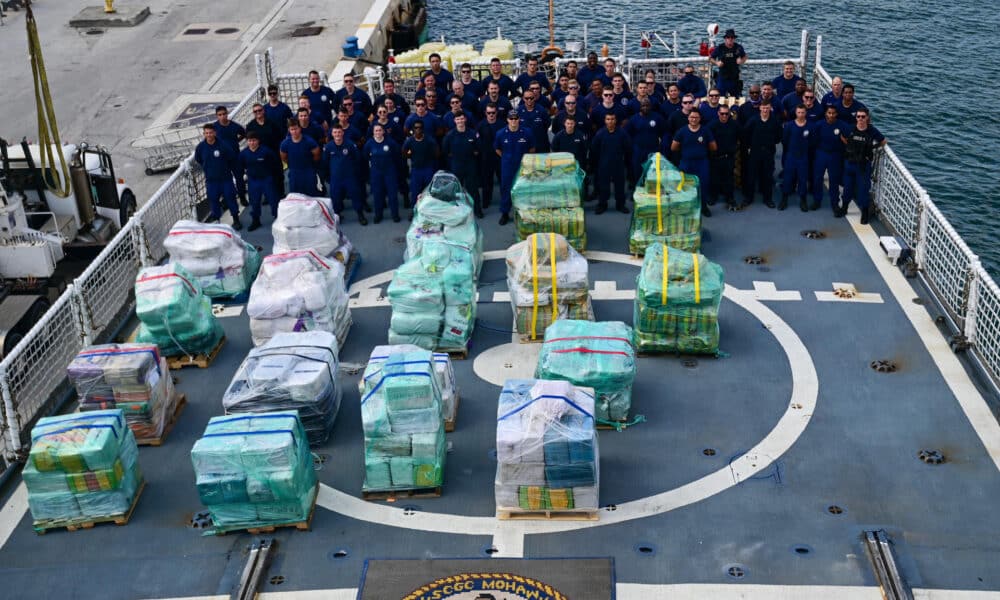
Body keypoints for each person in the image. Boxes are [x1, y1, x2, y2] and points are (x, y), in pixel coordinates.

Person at [840, 108, 886, 224]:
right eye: (858, 116)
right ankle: (844, 208)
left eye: (863, 116)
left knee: (863, 190)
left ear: (867, 118)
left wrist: (872, 148)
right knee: (847, 188)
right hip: (850, 163)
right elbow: (842, 136)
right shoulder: (850, 128)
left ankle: (865, 213)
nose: (860, 119)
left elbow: (883, 141)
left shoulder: (871, 130)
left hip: (863, 166)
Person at [195, 123, 241, 229]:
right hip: (211, 181)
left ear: (215, 133)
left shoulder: (223, 145)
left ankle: (236, 219)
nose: (209, 135)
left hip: (226, 179)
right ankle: (217, 220)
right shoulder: (200, 147)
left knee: (231, 198)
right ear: (204, 134)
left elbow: (231, 158)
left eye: (211, 132)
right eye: (206, 133)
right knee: (213, 200)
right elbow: (199, 159)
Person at [671, 110, 716, 216]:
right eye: (692, 117)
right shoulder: (681, 131)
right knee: (685, 185)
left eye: (696, 117)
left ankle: (703, 207)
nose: (694, 119)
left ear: (700, 119)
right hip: (686, 162)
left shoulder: (705, 131)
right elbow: (673, 147)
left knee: (703, 185)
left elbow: (713, 146)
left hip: (702, 162)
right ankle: (687, 207)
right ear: (688, 118)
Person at [493, 112, 534, 224]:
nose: (513, 121)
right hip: (507, 166)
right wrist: (507, 157)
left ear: (519, 119)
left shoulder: (527, 132)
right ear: (507, 120)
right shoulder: (500, 133)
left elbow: (532, 148)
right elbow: (497, 149)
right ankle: (505, 213)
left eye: (516, 118)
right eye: (511, 118)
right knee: (506, 189)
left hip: (523, 166)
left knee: (524, 189)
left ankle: (524, 213)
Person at [323, 125, 367, 225]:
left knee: (356, 195)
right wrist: (327, 177)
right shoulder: (328, 147)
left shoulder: (350, 144)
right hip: (336, 178)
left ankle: (360, 215)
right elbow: (325, 163)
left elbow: (358, 159)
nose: (337, 134)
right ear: (332, 134)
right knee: (336, 197)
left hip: (350, 177)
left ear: (343, 133)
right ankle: (337, 216)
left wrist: (356, 174)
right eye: (335, 132)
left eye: (339, 132)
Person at [441, 113, 483, 217]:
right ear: (454, 121)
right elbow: (445, 149)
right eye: (458, 119)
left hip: (470, 165)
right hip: (456, 165)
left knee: (473, 189)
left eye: (461, 119)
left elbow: (479, 148)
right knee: (456, 190)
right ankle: (456, 212)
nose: (460, 121)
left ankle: (477, 210)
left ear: (465, 120)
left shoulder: (472, 133)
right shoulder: (450, 135)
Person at [741, 102, 782, 207]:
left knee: (767, 176)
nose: (765, 110)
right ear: (760, 108)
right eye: (763, 108)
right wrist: (749, 146)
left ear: (770, 108)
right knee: (751, 175)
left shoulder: (775, 121)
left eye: (767, 108)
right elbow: (745, 133)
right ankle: (748, 198)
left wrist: (771, 143)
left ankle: (767, 199)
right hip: (755, 151)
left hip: (768, 152)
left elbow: (779, 136)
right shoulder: (753, 120)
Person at [812, 105, 849, 216]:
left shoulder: (842, 125)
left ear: (836, 114)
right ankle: (817, 201)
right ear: (825, 114)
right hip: (821, 154)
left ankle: (835, 203)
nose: (831, 115)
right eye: (829, 113)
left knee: (834, 180)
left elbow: (849, 140)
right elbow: (813, 139)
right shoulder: (819, 125)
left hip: (835, 155)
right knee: (818, 178)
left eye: (833, 113)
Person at [591, 113, 631, 214]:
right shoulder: (600, 134)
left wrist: (626, 162)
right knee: (603, 186)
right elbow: (594, 150)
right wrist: (595, 164)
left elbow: (628, 148)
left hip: (618, 164)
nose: (610, 121)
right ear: (605, 121)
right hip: (604, 164)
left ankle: (620, 205)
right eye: (608, 119)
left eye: (612, 119)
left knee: (620, 186)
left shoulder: (622, 133)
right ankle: (602, 205)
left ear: (616, 120)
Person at [238, 133, 279, 230]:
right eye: (250, 141)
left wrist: (273, 176)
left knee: (273, 200)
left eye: (254, 140)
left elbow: (275, 162)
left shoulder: (266, 151)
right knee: (254, 202)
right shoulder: (243, 153)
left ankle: (278, 218)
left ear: (258, 141)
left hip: (267, 179)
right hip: (253, 181)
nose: (252, 143)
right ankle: (256, 220)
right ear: (247, 141)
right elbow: (241, 166)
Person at [364, 124, 403, 223]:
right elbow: (365, 156)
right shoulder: (369, 143)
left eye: (379, 130)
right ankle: (378, 215)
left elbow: (397, 155)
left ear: (383, 132)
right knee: (377, 195)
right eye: (376, 131)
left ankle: (395, 214)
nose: (378, 132)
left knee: (392, 195)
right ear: (373, 132)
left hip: (389, 172)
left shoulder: (390, 143)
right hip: (376, 173)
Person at [245, 103, 284, 199]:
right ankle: (267, 195)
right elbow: (249, 140)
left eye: (259, 110)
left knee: (278, 173)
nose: (258, 112)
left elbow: (280, 136)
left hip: (274, 153)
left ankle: (281, 192)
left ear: (263, 111)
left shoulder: (272, 123)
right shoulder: (250, 126)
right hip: (260, 154)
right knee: (264, 176)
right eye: (255, 111)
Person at [625, 99, 667, 187]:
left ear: (651, 106)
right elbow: (627, 134)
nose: (645, 108)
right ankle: (637, 190)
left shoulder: (657, 117)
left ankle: (651, 190)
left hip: (653, 149)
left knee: (652, 170)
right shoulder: (634, 119)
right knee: (637, 170)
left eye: (647, 105)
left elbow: (664, 132)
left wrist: (662, 146)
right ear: (640, 107)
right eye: (643, 106)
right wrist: (631, 147)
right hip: (638, 149)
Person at [212, 105, 247, 206]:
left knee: (239, 179)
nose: (222, 116)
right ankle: (227, 200)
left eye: (224, 114)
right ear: (217, 116)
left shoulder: (234, 126)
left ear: (227, 114)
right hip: (222, 160)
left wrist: (236, 141)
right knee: (225, 181)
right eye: (220, 115)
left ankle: (242, 198)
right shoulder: (214, 128)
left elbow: (244, 133)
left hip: (235, 157)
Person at [781, 105, 812, 211]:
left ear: (806, 113)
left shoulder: (810, 126)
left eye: (803, 112)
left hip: (803, 157)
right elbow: (784, 140)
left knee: (803, 179)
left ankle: (803, 199)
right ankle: (784, 198)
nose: (801, 115)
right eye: (799, 112)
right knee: (787, 177)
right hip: (791, 155)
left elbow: (813, 141)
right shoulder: (789, 125)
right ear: (795, 113)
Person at [402, 121, 439, 210]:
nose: (418, 129)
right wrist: (410, 155)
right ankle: (414, 210)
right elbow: (403, 152)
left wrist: (429, 157)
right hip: (416, 170)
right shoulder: (410, 141)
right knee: (415, 192)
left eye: (420, 127)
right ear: (413, 129)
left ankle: (429, 210)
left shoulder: (429, 140)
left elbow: (437, 153)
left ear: (423, 129)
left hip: (428, 169)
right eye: (416, 127)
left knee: (429, 192)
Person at [709, 105, 739, 208]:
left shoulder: (734, 125)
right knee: (714, 178)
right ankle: (713, 197)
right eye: (722, 114)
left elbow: (741, 136)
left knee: (729, 178)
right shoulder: (712, 125)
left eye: (727, 114)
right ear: (718, 113)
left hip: (729, 157)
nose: (724, 116)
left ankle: (729, 198)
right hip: (716, 157)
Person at [280, 119, 321, 196]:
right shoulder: (285, 144)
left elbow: (317, 155)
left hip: (308, 170)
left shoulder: (309, 141)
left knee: (312, 195)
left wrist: (311, 165)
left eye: (296, 129)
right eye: (292, 129)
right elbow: (283, 157)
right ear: (289, 130)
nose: (294, 131)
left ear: (300, 128)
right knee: (296, 196)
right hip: (294, 172)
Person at [476, 103, 503, 209]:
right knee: (486, 181)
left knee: (502, 180)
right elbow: (477, 142)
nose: (491, 115)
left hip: (499, 157)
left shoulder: (502, 124)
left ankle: (505, 201)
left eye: (493, 112)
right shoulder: (480, 125)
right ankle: (486, 201)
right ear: (485, 113)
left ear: (496, 113)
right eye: (489, 113)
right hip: (486, 157)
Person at [710, 29, 748, 97]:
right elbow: (710, 58)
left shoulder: (738, 47)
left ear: (734, 39)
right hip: (722, 78)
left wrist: (741, 61)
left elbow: (745, 56)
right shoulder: (720, 48)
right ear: (725, 38)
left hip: (734, 78)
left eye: (732, 37)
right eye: (728, 37)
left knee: (736, 97)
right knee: (720, 97)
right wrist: (717, 63)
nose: (730, 39)